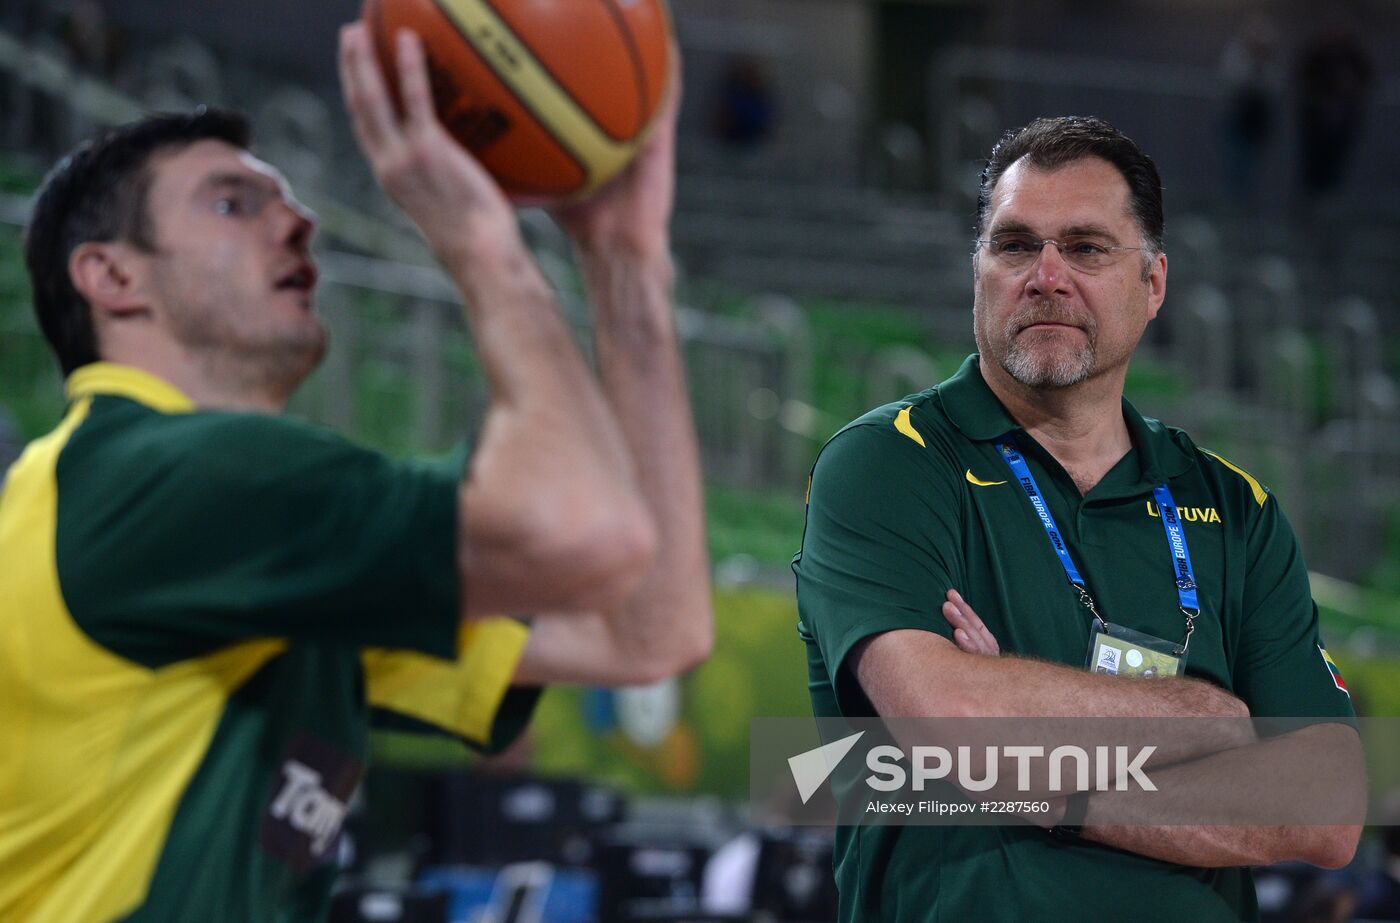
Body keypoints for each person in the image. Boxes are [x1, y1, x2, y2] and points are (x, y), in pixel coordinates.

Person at [0, 23, 711, 923]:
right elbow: (585, 532)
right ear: (112, 276)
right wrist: (484, 245)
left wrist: (626, 265)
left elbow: (649, 632)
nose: (297, 219)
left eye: (283, 201)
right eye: (232, 203)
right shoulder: (151, 478)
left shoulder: (253, 545)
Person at [793, 116, 1361, 921]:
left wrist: (1050, 781)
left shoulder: (1237, 509)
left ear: (1154, 283)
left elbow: (1327, 805)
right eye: (1015, 245)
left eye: (1087, 248)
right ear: (980, 271)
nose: (1046, 275)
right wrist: (1214, 719)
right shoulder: (889, 463)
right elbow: (947, 715)